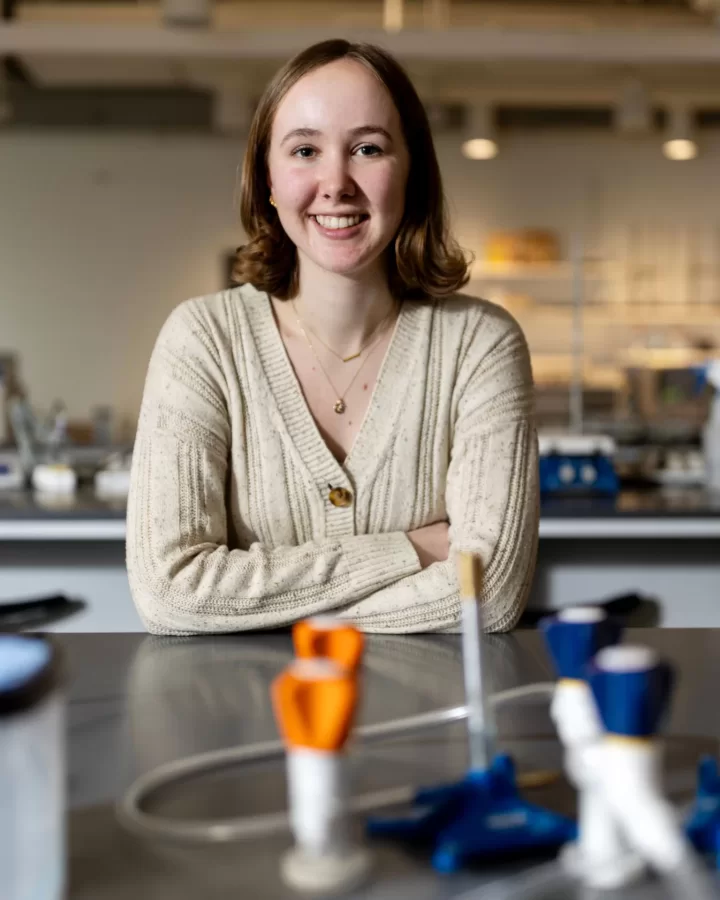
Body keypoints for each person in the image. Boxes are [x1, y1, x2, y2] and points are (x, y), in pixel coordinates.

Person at [126, 39, 538, 636]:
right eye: (305, 150)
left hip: (428, 720)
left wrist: (260, 607)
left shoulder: (480, 344)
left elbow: (490, 594)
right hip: (246, 719)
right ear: (267, 178)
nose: (336, 182)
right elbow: (170, 592)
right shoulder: (203, 341)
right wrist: (410, 553)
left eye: (368, 148)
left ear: (411, 173)